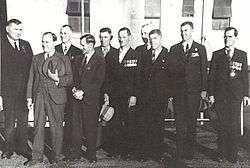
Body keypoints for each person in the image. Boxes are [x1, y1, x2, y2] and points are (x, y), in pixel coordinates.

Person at [26, 32, 73, 166]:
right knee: (38, 127)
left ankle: (57, 157)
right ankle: (36, 157)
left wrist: (57, 79)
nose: (44, 44)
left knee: (56, 127)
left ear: (54, 43)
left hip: (56, 97)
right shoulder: (36, 58)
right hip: (39, 96)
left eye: (47, 42)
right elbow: (31, 79)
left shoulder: (63, 58)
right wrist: (29, 97)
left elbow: (69, 79)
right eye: (43, 42)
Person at [208, 27, 249, 164]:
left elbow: (244, 77)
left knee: (233, 126)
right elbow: (211, 77)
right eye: (225, 36)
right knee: (222, 125)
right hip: (220, 96)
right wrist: (211, 94)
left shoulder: (242, 55)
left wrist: (246, 95)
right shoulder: (217, 54)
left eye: (230, 36)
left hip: (235, 97)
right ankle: (221, 153)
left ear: (235, 38)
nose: (227, 39)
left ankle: (232, 154)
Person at [169, 21, 208, 161]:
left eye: (186, 30)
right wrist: (171, 92)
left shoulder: (200, 48)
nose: (183, 33)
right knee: (179, 123)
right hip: (179, 93)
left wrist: (204, 90)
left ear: (192, 31)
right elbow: (171, 72)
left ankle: (189, 152)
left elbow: (204, 70)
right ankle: (179, 152)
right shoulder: (174, 49)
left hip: (193, 93)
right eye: (182, 31)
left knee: (191, 123)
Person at [0, 19, 33, 161]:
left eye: (20, 29)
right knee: (9, 123)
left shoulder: (26, 45)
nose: (18, 32)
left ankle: (23, 148)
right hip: (8, 93)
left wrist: (30, 93)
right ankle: (8, 149)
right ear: (8, 29)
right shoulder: (1, 45)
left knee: (23, 122)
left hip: (24, 93)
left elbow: (31, 69)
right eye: (15, 29)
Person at [70, 34, 105, 163]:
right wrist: (74, 89)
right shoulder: (79, 59)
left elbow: (98, 82)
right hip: (77, 99)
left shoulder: (99, 60)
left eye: (83, 45)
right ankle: (76, 153)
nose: (82, 47)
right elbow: (74, 78)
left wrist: (83, 92)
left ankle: (91, 154)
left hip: (90, 100)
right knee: (76, 128)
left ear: (90, 45)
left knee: (91, 127)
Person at [107, 27, 140, 160]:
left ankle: (127, 150)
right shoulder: (112, 54)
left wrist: (134, 95)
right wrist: (107, 93)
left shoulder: (136, 55)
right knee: (115, 123)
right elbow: (108, 77)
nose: (121, 39)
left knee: (128, 123)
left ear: (129, 37)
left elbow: (137, 78)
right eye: (120, 37)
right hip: (114, 95)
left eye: (124, 37)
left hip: (128, 96)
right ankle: (115, 149)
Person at [138, 29, 170, 162]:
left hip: (160, 97)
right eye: (150, 39)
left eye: (155, 38)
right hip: (146, 97)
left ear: (161, 38)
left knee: (158, 125)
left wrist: (168, 95)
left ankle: (157, 153)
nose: (152, 41)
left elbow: (172, 77)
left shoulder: (167, 55)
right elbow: (140, 76)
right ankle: (145, 152)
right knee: (146, 124)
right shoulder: (145, 55)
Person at [55, 24, 82, 155]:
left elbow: (78, 73)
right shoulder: (55, 49)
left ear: (71, 35)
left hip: (71, 91)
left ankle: (70, 148)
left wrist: (76, 89)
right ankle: (58, 147)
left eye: (65, 33)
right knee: (58, 119)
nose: (62, 36)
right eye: (61, 33)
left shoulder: (77, 51)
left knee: (71, 120)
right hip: (58, 90)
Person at [94, 27, 119, 150]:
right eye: (101, 37)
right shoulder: (95, 51)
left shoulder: (116, 52)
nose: (103, 40)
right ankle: (97, 143)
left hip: (111, 89)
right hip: (96, 89)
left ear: (111, 38)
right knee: (96, 116)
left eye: (106, 37)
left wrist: (108, 91)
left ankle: (110, 143)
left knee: (110, 116)